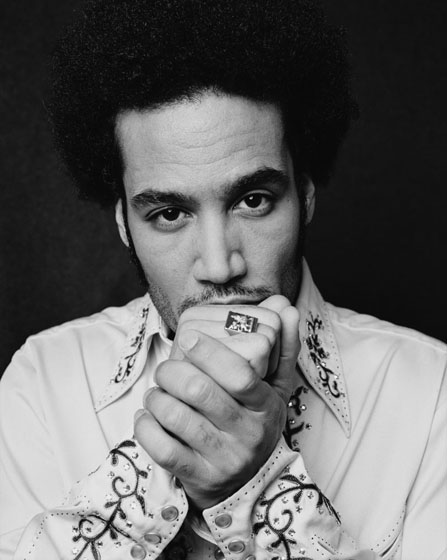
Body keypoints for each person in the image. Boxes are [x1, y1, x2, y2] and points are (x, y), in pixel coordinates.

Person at [0, 0, 445, 559]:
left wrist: (260, 487)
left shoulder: (429, 395)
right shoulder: (44, 382)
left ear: (305, 195)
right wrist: (161, 468)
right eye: (169, 213)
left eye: (253, 200)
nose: (219, 266)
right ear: (123, 224)